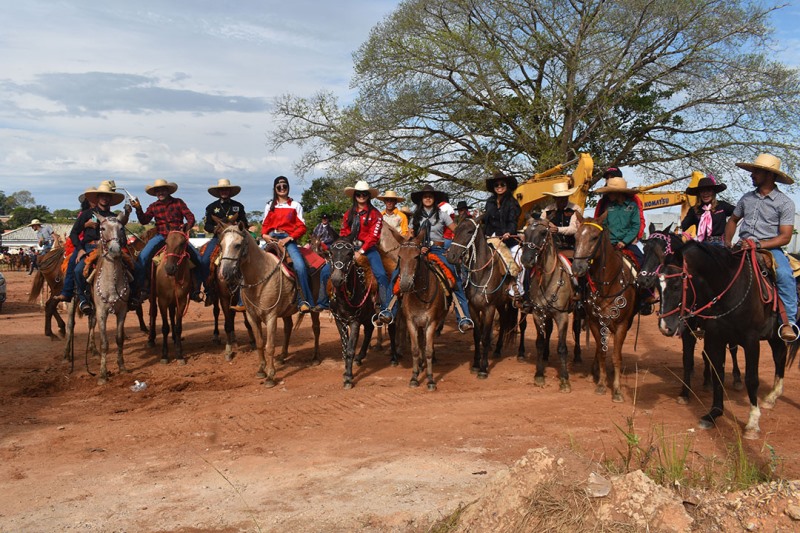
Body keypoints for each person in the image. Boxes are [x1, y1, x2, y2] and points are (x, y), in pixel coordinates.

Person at [725, 153, 797, 342]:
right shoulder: (746, 198)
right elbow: (733, 220)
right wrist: (727, 243)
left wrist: (758, 244)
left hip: (769, 249)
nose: (752, 175)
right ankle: (705, 317)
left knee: (784, 275)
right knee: (715, 268)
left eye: (756, 171)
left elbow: (785, 237)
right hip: (741, 246)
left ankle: (788, 322)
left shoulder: (785, 203)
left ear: (770, 175)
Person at [408, 184, 473, 332]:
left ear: (434, 199)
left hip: (437, 250)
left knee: (454, 279)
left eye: (430, 196)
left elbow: (457, 231)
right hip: (418, 252)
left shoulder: (442, 214)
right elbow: (410, 235)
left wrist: (455, 245)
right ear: (421, 199)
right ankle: (390, 309)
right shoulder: (415, 216)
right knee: (399, 273)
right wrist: (417, 246)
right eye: (425, 196)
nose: (428, 198)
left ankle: (463, 317)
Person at [261, 176, 327, 312]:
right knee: (251, 259)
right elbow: (265, 225)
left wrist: (290, 238)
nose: (282, 189)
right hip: (271, 237)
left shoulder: (295, 205)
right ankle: (243, 301)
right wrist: (264, 235)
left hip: (288, 238)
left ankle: (304, 301)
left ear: (288, 187)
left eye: (284, 186)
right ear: (275, 189)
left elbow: (302, 227)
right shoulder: (269, 206)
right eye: (279, 187)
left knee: (300, 266)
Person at [131, 179, 203, 303]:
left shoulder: (178, 202)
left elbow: (190, 217)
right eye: (157, 191)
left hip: (177, 237)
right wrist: (138, 208)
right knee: (142, 258)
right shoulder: (153, 206)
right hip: (161, 236)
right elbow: (144, 220)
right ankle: (144, 288)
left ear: (168, 191)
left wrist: (186, 227)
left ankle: (195, 289)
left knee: (199, 259)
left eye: (163, 190)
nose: (160, 193)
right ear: (155, 193)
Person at [69, 182, 131, 315]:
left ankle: (131, 298)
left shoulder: (114, 217)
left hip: (110, 249)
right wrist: (80, 249)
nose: (105, 198)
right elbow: (73, 233)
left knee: (132, 267)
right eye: (102, 196)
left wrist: (119, 242)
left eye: (107, 196)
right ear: (97, 198)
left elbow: (123, 237)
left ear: (111, 199)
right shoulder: (86, 214)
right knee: (78, 270)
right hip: (90, 247)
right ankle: (83, 300)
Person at [339, 180, 393, 323]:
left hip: (368, 249)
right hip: (350, 248)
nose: (361, 196)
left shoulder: (376, 214)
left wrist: (361, 251)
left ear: (368, 196)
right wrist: (346, 247)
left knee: (381, 274)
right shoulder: (348, 214)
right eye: (358, 194)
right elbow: (344, 232)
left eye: (364, 194)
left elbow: (373, 236)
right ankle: (327, 302)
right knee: (328, 270)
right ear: (355, 196)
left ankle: (385, 308)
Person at [202, 179, 248, 306]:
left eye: (226, 189)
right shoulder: (211, 207)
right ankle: (209, 290)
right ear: (218, 192)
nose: (224, 191)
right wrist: (215, 229)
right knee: (204, 260)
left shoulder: (238, 206)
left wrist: (237, 226)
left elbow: (245, 223)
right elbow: (207, 226)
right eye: (221, 189)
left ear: (230, 191)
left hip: (235, 238)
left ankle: (248, 290)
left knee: (248, 259)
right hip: (218, 239)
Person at [483, 171, 523, 301]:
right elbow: (486, 220)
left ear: (507, 186)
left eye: (502, 184)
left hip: (507, 238)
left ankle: (518, 289)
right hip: (489, 237)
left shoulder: (512, 202)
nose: (499, 187)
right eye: (496, 185)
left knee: (519, 255)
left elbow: (513, 221)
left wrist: (509, 232)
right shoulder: (489, 202)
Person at [54, 188, 97, 303]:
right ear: (87, 201)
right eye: (91, 199)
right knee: (73, 261)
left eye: (95, 198)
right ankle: (67, 291)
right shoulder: (83, 214)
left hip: (101, 242)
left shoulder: (102, 213)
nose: (94, 201)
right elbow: (76, 231)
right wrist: (86, 225)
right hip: (83, 242)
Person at [594, 176, 644, 266]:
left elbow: (635, 226)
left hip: (627, 243)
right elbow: (604, 224)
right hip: (609, 243)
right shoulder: (608, 206)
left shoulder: (632, 206)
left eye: (610, 192)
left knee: (641, 259)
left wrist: (624, 241)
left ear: (618, 193)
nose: (608, 195)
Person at [595, 167, 645, 243]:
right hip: (607, 240)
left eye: (612, 177)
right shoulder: (603, 201)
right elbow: (597, 219)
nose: (609, 180)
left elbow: (639, 220)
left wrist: (636, 237)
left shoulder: (634, 199)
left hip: (629, 240)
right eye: (607, 178)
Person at [680, 175, 734, 245]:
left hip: (720, 244)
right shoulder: (694, 210)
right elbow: (683, 226)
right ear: (699, 194)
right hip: (702, 245)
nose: (705, 193)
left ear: (713, 192)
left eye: (708, 190)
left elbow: (738, 213)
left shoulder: (722, 206)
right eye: (702, 191)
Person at [540, 181, 582, 255]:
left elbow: (574, 229)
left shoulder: (575, 209)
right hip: (551, 248)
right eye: (560, 198)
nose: (563, 200)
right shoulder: (548, 210)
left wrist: (557, 229)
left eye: (565, 197)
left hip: (571, 247)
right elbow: (541, 225)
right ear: (554, 198)